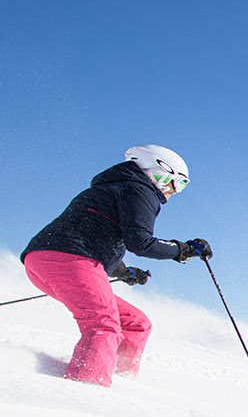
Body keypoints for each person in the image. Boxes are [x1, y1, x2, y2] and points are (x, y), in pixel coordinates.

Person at [19, 145, 211, 386]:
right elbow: (141, 243)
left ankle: (121, 381)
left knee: (135, 323)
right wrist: (182, 249)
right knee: (103, 325)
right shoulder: (140, 189)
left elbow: (93, 234)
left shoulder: (115, 186)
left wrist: (124, 271)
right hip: (69, 259)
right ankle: (86, 389)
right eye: (178, 183)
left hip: (45, 260)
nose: (175, 191)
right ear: (160, 172)